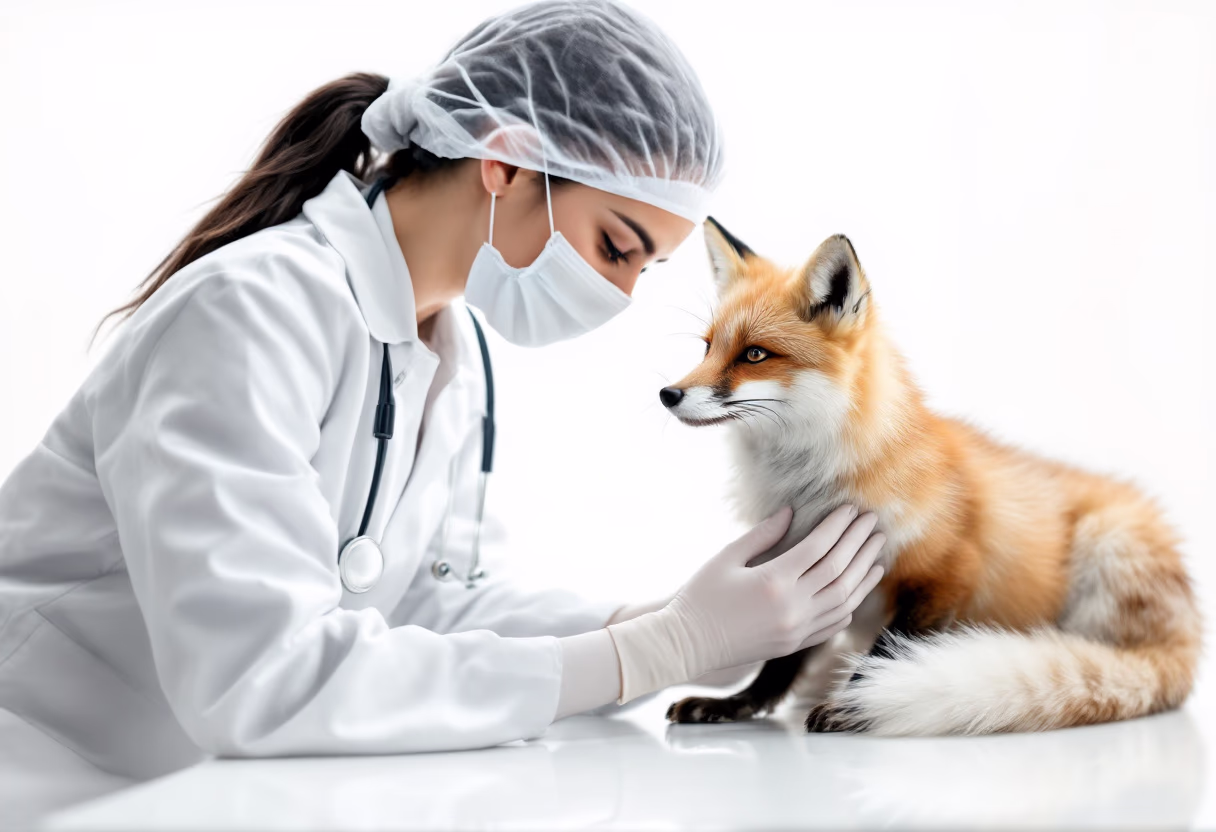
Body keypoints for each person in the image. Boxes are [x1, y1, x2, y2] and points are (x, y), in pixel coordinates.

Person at [0, 0, 886, 825]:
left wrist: (653, 628)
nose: (619, 294)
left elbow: (419, 600)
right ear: (502, 161)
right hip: (48, 782)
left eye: (644, 269)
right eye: (616, 245)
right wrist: (650, 652)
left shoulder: (441, 356)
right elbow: (261, 679)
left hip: (195, 793)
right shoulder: (249, 311)